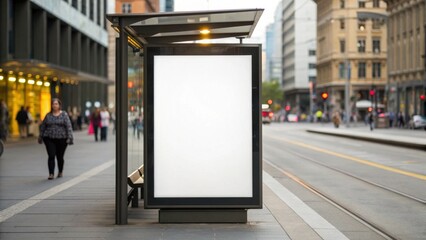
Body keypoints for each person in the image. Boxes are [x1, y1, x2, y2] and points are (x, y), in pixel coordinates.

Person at [38, 98, 74, 180]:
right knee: (51, 155)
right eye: (53, 104)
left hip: (62, 139)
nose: (54, 105)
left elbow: (68, 126)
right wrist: (40, 136)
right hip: (49, 138)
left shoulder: (64, 115)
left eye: (56, 104)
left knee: (60, 156)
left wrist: (70, 137)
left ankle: (60, 171)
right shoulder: (48, 115)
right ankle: (51, 173)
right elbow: (43, 126)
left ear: (59, 105)